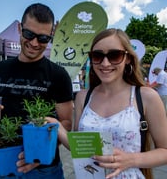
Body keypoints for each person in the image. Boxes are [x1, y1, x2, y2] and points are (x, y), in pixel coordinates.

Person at [47, 28, 167, 179]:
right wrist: (57, 127)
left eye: (114, 55)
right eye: (97, 56)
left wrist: (130, 160)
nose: (105, 63)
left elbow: (165, 150)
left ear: (128, 58)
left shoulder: (145, 96)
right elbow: (81, 146)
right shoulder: (83, 97)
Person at [0, 3, 73, 179]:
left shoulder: (59, 75)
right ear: (19, 29)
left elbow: (66, 123)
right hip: (5, 161)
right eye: (29, 34)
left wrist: (42, 154)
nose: (35, 43)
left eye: (43, 38)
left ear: (51, 36)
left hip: (44, 168)